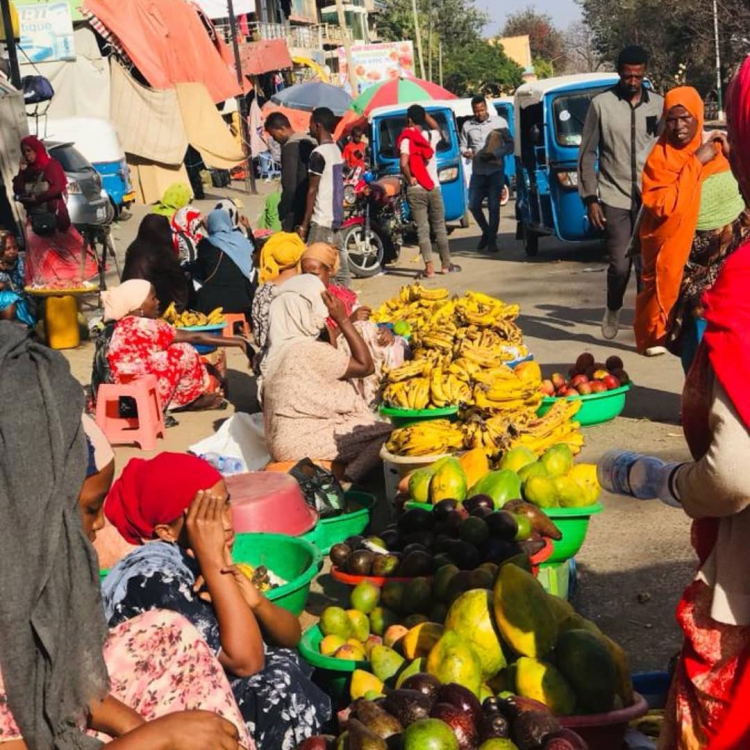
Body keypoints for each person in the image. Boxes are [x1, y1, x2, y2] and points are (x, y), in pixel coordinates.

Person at [0, 322, 247, 750]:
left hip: (54, 713)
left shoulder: (30, 575)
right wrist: (156, 738)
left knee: (169, 633)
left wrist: (139, 726)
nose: (97, 526)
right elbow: (245, 657)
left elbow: (74, 678)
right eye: (89, 509)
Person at [601, 59, 750, 750]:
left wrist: (673, 484)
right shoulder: (664, 161)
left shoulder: (745, 285)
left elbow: (732, 477)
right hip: (684, 284)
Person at [101, 452, 332, 750]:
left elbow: (289, 637)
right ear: (165, 532)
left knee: (291, 660)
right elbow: (247, 662)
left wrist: (256, 602)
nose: (225, 523)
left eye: (225, 504)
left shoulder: (195, 556)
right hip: (164, 718)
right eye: (206, 517)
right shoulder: (154, 579)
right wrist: (213, 563)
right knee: (274, 685)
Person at [635, 87, 749, 370]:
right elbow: (662, 206)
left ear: (698, 116)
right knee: (696, 313)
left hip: (735, 250)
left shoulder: (721, 150)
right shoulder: (660, 161)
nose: (678, 126)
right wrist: (696, 161)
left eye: (685, 118)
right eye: (671, 120)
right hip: (688, 261)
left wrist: (731, 152)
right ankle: (697, 394)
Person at [262, 274, 393, 480]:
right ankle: (349, 476)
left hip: (280, 440)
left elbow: (331, 353)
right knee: (390, 433)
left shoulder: (275, 352)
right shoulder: (307, 350)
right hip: (302, 441)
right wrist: (342, 319)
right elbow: (365, 366)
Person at [578, 45, 663, 340]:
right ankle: (613, 306)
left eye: (638, 76)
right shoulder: (601, 105)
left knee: (647, 267)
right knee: (620, 264)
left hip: (651, 197)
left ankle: (645, 326)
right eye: (628, 76)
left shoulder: (659, 105)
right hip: (614, 195)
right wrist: (590, 198)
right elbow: (586, 153)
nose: (633, 81)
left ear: (644, 73)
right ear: (619, 73)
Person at [96, 279, 250, 411]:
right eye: (153, 298)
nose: (157, 302)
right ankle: (188, 401)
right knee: (183, 350)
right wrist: (239, 342)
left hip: (118, 398)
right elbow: (195, 336)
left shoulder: (119, 326)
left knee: (163, 354)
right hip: (137, 401)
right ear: (139, 307)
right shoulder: (148, 326)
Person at [301, 242, 407, 406]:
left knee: (390, 343)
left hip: (361, 348)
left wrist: (383, 331)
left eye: (314, 274)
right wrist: (347, 321)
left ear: (329, 271)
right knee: (360, 331)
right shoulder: (301, 302)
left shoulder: (343, 295)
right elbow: (319, 345)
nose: (309, 280)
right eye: (304, 274)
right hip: (330, 357)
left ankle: (387, 394)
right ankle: (366, 398)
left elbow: (368, 323)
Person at [13, 135, 98, 287]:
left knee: (69, 248)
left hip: (55, 216)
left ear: (37, 150)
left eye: (30, 151)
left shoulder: (51, 165)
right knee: (38, 253)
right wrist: (21, 172)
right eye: (24, 151)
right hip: (35, 218)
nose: (27, 155)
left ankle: (75, 277)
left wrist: (38, 199)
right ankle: (47, 284)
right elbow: (18, 188)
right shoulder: (27, 171)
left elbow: (58, 187)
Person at [398, 104, 459, 278]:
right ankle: (446, 265)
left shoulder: (406, 139)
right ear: (422, 118)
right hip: (433, 187)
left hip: (416, 189)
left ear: (409, 119)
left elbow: (403, 163)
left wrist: (410, 178)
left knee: (422, 229)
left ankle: (429, 268)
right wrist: (425, 116)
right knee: (440, 227)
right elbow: (436, 127)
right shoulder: (431, 136)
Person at [299, 107, 350, 287]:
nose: (309, 127)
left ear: (318, 125)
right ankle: (346, 301)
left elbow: (312, 190)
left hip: (321, 220)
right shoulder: (336, 149)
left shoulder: (318, 153)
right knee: (340, 268)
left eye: (311, 123)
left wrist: (304, 225)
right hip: (336, 218)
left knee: (314, 270)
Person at [460, 96, 514, 253]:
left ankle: (492, 240)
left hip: (495, 171)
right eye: (476, 111)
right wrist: (466, 153)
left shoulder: (500, 123)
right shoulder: (467, 126)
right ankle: (487, 231)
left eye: (482, 110)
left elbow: (510, 144)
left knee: (493, 206)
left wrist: (496, 154)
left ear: (486, 108)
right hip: (478, 172)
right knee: (473, 205)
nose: (479, 113)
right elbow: (463, 145)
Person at [250, 231, 306, 372]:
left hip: (271, 363)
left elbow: (258, 338)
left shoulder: (262, 291)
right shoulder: (308, 286)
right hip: (305, 360)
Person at [192, 209, 257, 318]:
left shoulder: (206, 244)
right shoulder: (240, 240)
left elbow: (201, 273)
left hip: (213, 305)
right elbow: (253, 250)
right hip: (243, 300)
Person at [122, 214, 191, 314]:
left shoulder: (133, 248)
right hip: (153, 307)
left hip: (128, 304)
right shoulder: (162, 253)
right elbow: (178, 287)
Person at [264, 112, 315, 233]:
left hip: (296, 211)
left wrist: (283, 210)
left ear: (282, 129)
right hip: (313, 208)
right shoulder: (310, 142)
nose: (274, 139)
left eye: (273, 134)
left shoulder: (290, 147)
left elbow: (290, 186)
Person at [0, 230, 35, 325]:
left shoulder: (22, 260)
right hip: (7, 302)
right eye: (7, 249)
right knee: (9, 299)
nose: (12, 251)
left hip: (24, 298)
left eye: (14, 247)